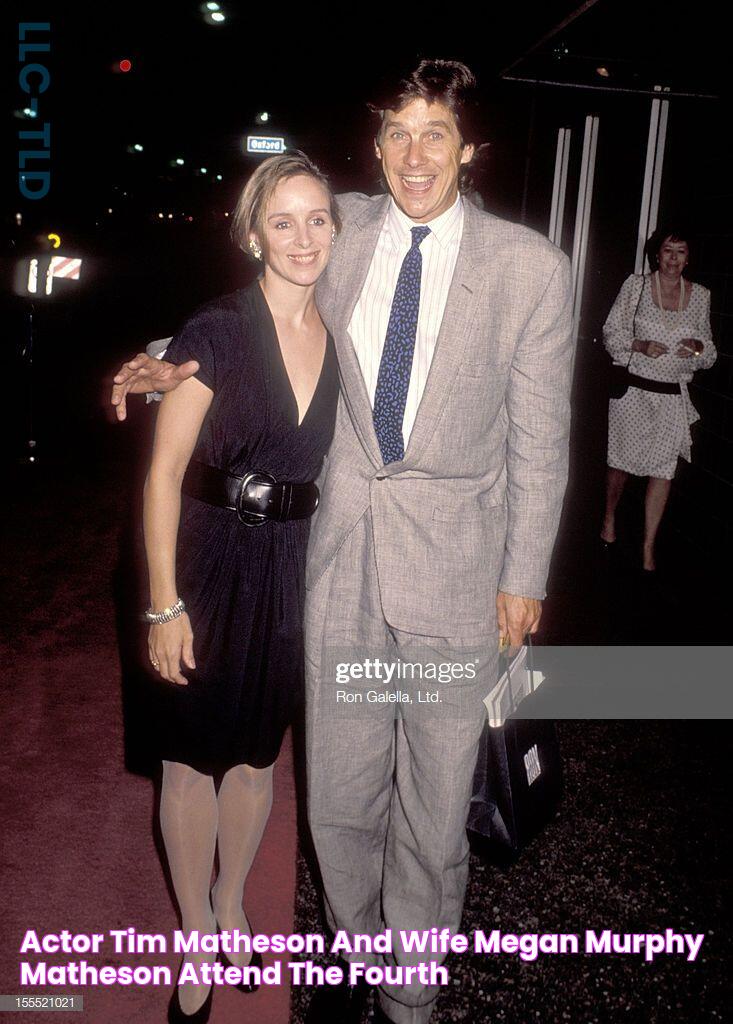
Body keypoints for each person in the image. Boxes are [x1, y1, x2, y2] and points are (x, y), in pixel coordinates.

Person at [111, 60, 573, 1024]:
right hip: (336, 563)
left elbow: (541, 438)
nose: (414, 153)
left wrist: (524, 575)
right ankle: (356, 952)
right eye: (398, 133)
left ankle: (409, 983)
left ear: (468, 149)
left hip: (458, 569)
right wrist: (164, 359)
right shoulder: (346, 225)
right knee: (342, 795)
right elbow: (253, 295)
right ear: (376, 148)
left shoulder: (529, 268)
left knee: (433, 800)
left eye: (434, 133)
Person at [142, 151, 339, 1023]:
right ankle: (192, 929)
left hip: (293, 568)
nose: (303, 238)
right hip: (204, 561)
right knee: (188, 762)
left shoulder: (343, 336)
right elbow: (161, 476)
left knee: (258, 759)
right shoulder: (216, 329)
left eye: (317, 219)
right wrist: (162, 602)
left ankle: (230, 902)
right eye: (283, 221)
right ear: (252, 232)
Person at [600, 226, 715, 570]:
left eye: (681, 252)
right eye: (668, 251)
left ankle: (648, 546)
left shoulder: (700, 296)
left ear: (688, 258)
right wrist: (639, 345)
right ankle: (608, 517)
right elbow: (611, 333)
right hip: (634, 392)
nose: (673, 259)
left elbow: (708, 353)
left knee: (663, 472)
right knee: (620, 467)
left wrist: (695, 349)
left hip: (671, 398)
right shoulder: (635, 286)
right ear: (657, 254)